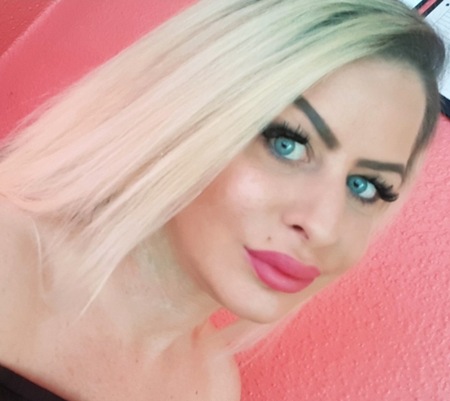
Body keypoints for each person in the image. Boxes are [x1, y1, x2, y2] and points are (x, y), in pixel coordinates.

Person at [0, 0, 446, 400]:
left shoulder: (211, 386)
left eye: (365, 186)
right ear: (192, 111)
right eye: (288, 144)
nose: (324, 225)